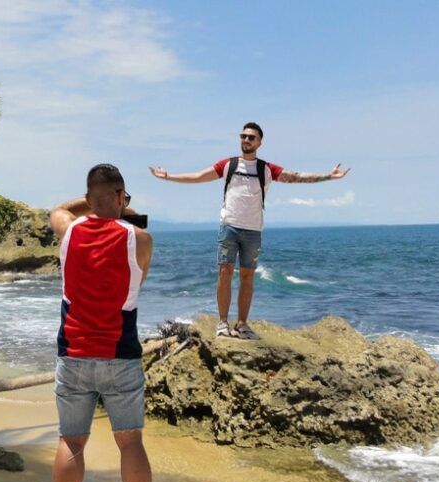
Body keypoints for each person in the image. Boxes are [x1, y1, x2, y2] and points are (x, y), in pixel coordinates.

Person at [149, 122, 350, 340]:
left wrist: (328, 176)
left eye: (251, 137)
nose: (246, 140)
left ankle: (242, 324)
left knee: (247, 276)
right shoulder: (229, 165)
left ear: (259, 142)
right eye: (243, 136)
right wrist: (169, 176)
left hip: (253, 230)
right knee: (224, 273)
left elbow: (296, 177)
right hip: (229, 226)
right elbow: (198, 177)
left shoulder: (266, 169)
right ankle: (223, 323)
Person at [49, 163, 154, 482]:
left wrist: (94, 200)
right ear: (122, 196)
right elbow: (139, 271)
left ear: (88, 198)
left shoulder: (69, 232)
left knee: (71, 441)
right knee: (130, 442)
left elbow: (59, 210)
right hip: (120, 357)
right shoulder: (140, 240)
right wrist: (123, 207)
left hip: (74, 355)